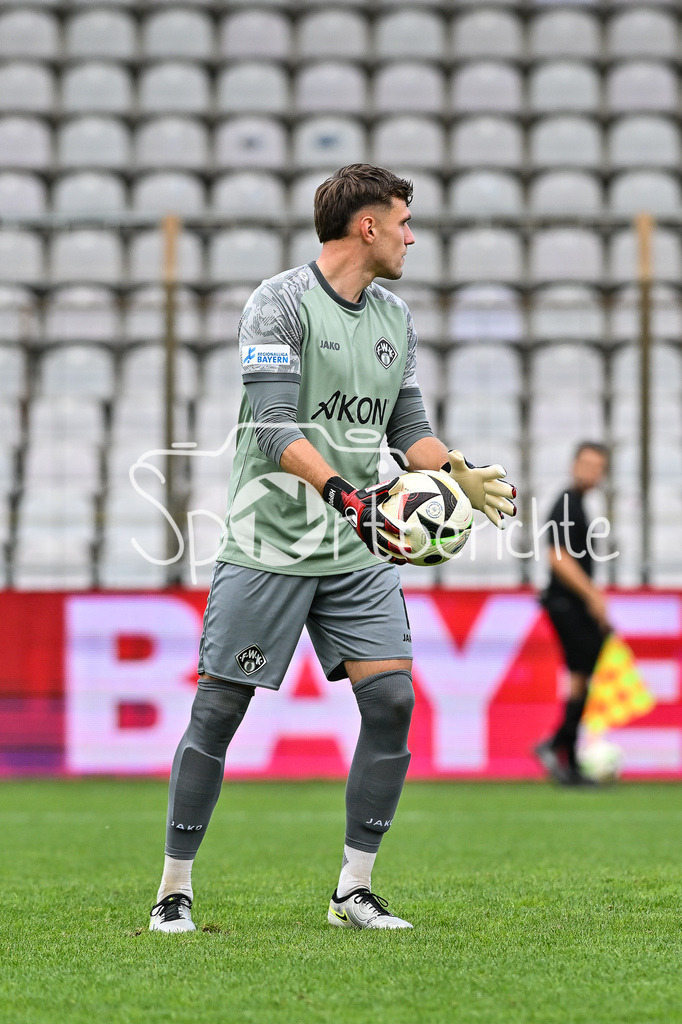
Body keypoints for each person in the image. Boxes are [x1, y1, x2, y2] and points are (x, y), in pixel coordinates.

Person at [149, 164, 517, 933]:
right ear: (368, 226)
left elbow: (407, 431)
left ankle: (354, 890)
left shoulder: (395, 319)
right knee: (219, 711)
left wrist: (458, 471)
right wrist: (348, 496)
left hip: (356, 551)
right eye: (405, 221)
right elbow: (274, 427)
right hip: (269, 542)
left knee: (392, 700)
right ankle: (173, 891)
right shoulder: (278, 303)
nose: (413, 236)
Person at [534, 442, 611, 786]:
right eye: (586, 463)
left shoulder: (578, 504)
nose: (590, 471)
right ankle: (562, 750)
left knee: (582, 675)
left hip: (572, 603)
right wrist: (592, 595)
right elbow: (558, 556)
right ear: (573, 464)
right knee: (582, 673)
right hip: (566, 603)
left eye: (597, 466)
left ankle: (561, 748)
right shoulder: (567, 503)